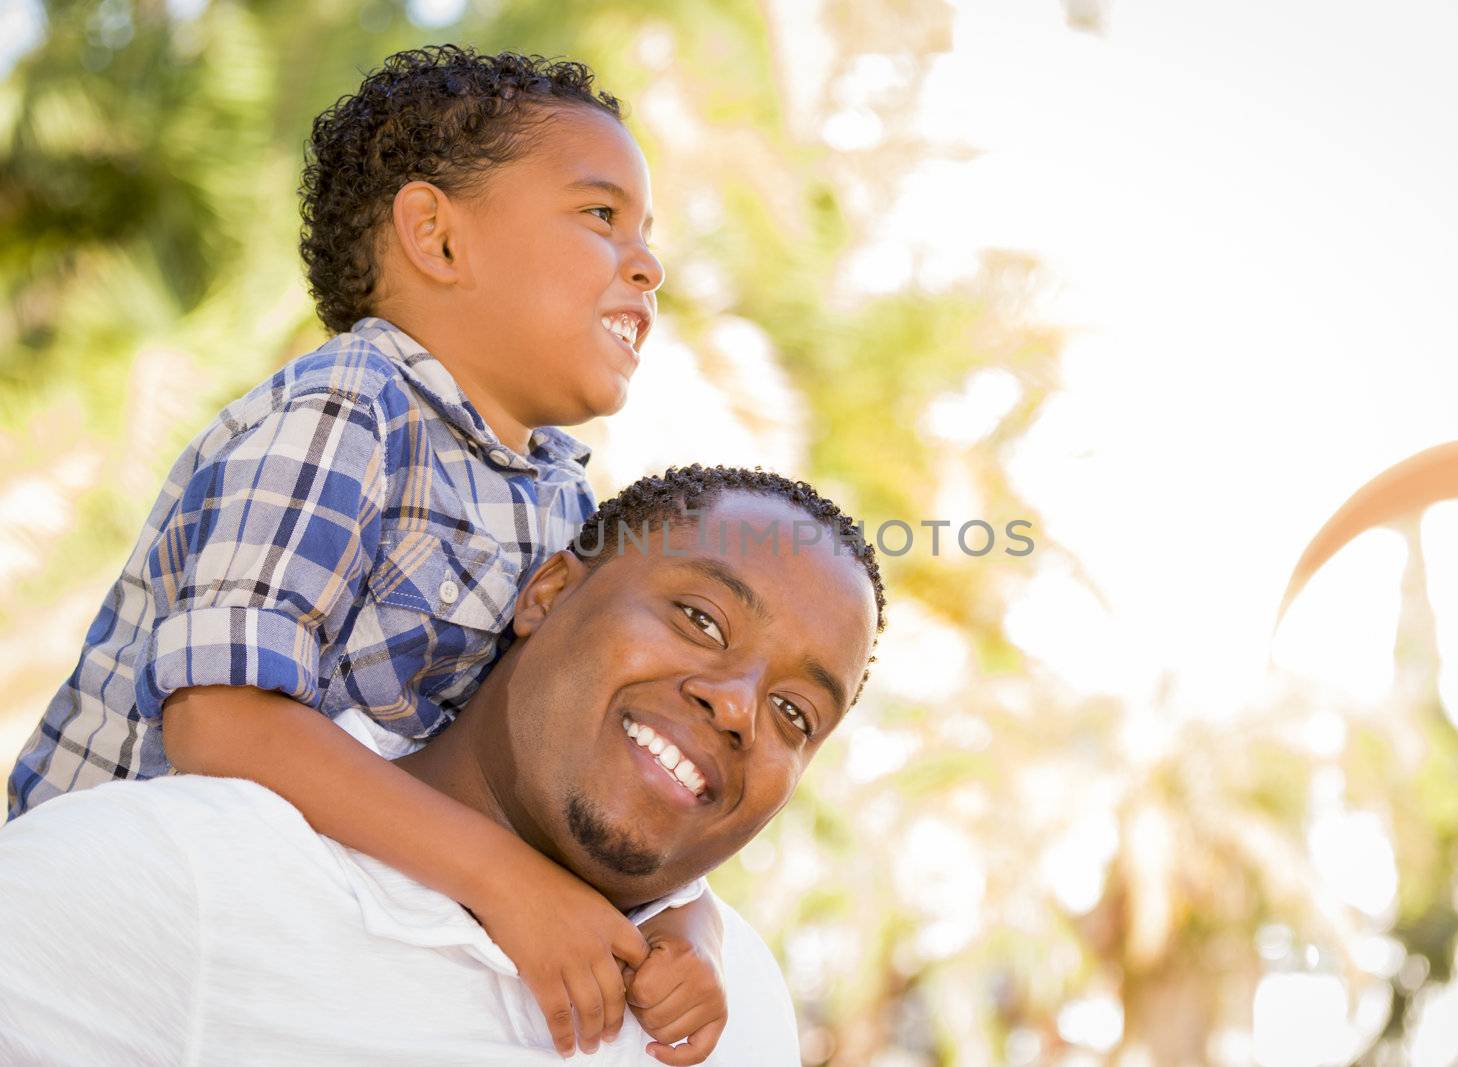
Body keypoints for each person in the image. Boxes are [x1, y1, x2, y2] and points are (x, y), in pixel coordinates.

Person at [3, 46, 730, 1061]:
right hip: (126, 949)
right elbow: (223, 721)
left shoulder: (562, 493)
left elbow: (555, 752)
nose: (646, 263)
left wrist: (684, 926)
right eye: (601, 216)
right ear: (434, 236)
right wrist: (504, 877)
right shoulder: (348, 409)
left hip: (319, 928)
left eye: (646, 234)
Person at [0, 466, 887, 1065]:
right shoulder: (169, 881)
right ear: (549, 592)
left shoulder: (744, 1009)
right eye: (699, 617)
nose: (737, 706)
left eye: (793, 713)